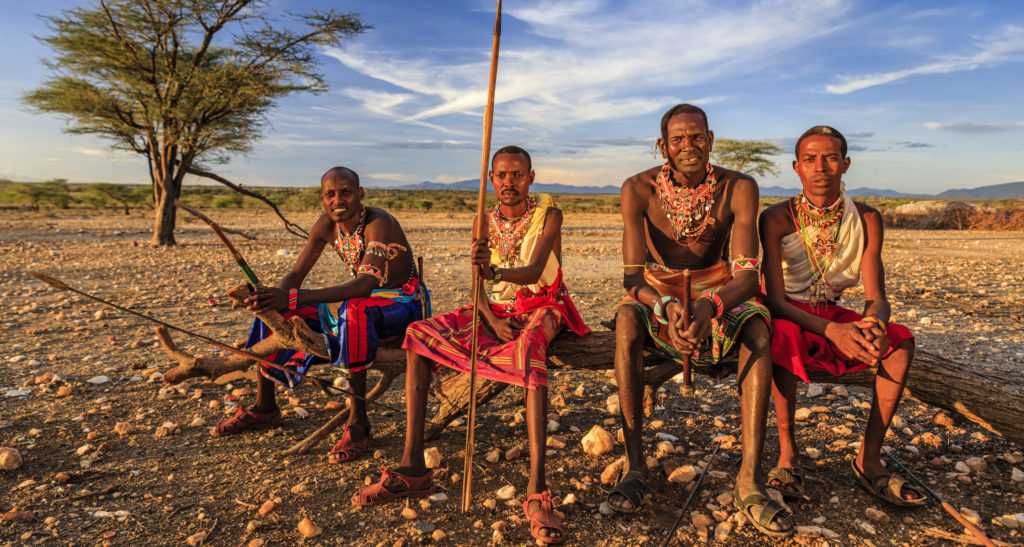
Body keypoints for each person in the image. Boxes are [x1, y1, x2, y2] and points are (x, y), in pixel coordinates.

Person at [351, 146, 589, 545]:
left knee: (530, 352)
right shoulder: (482, 217)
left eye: (517, 174)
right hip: (493, 308)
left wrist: (494, 268)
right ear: (491, 179)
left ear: (531, 177)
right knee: (419, 336)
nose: (509, 182)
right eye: (501, 175)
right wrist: (492, 319)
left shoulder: (550, 215)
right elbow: (478, 286)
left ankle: (535, 489)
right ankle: (412, 467)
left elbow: (533, 271)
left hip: (542, 304)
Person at [610, 104, 793, 537]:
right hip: (660, 295)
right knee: (625, 323)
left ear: (711, 140)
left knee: (757, 330)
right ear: (662, 146)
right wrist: (663, 307)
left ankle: (749, 479)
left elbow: (747, 275)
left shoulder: (739, 187)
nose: (688, 147)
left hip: (720, 290)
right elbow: (632, 275)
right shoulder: (637, 189)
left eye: (697, 137)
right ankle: (636, 468)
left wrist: (709, 306)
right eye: (678, 139)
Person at [211, 166, 426, 466]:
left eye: (346, 192)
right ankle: (265, 406)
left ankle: (358, 424)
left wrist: (292, 296)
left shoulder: (380, 223)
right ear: (322, 199)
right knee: (276, 307)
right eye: (330, 194)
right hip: (362, 300)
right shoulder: (326, 225)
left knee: (354, 310)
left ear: (360, 195)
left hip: (401, 304)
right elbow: (296, 275)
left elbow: (364, 286)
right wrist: (271, 297)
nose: (338, 200)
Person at [759, 126, 924, 509]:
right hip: (790, 313)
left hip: (830, 308)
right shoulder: (777, 218)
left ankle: (868, 459)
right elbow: (776, 300)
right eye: (811, 159)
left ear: (845, 164)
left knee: (900, 343)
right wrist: (834, 331)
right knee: (780, 333)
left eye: (831, 158)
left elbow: (876, 298)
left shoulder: (866, 219)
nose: (822, 167)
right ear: (796, 167)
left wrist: (873, 326)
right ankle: (788, 455)